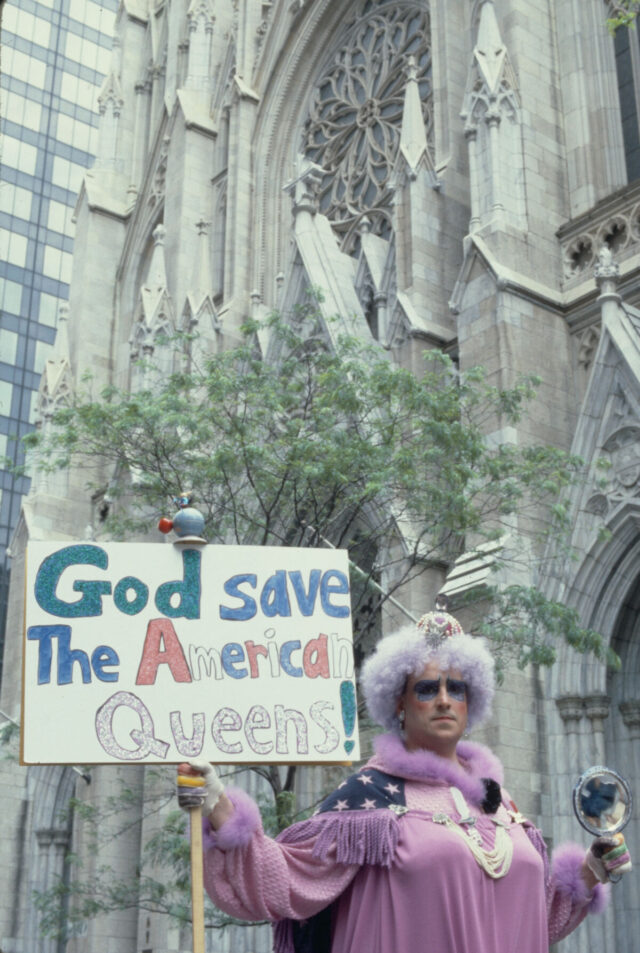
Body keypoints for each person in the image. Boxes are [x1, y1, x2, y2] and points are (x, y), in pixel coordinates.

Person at [177, 608, 631, 953]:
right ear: (398, 702)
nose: (444, 700)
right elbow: (284, 881)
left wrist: (591, 871)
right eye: (427, 689)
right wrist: (218, 804)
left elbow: (530, 920)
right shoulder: (368, 802)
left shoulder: (502, 804)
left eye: (457, 689)